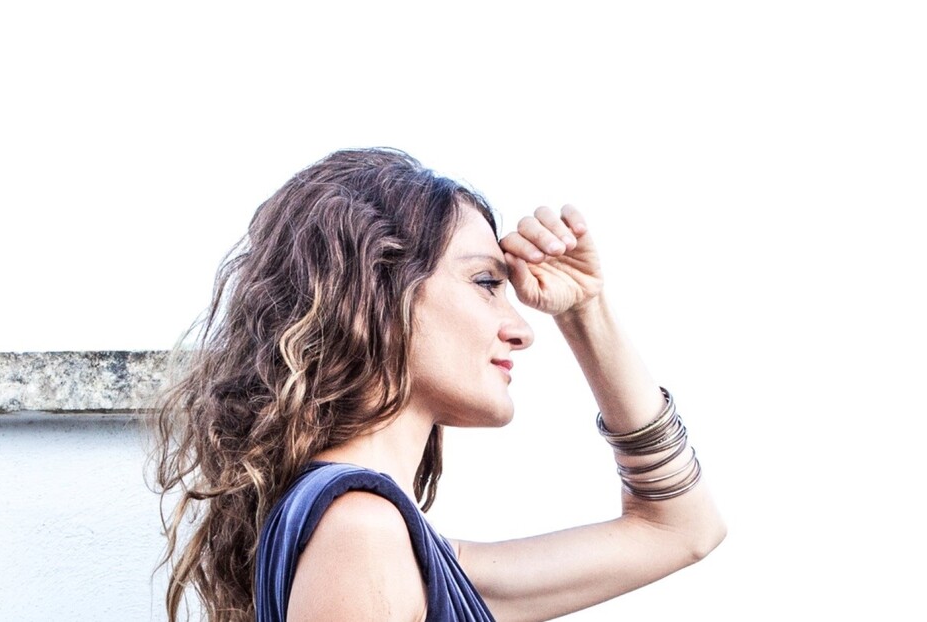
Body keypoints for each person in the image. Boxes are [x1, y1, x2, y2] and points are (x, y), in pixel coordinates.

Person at [153, 148, 725, 622]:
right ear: (376, 289)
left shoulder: (393, 546)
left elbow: (682, 529)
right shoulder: (361, 533)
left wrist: (584, 312)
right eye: (486, 282)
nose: (522, 329)